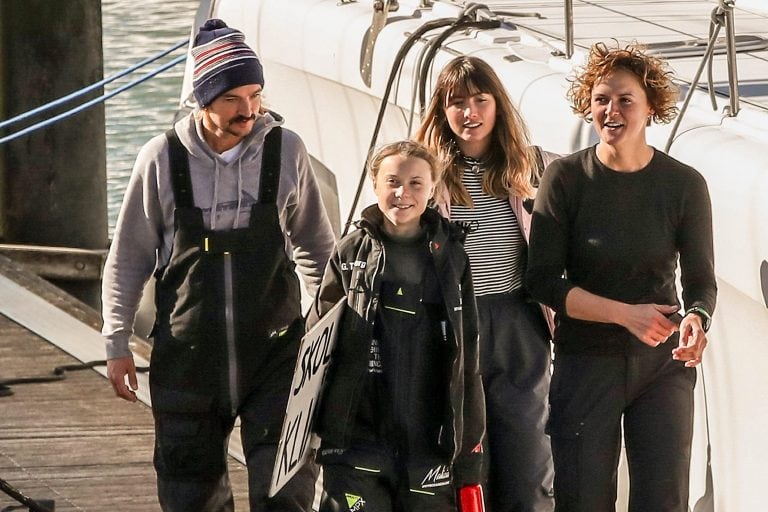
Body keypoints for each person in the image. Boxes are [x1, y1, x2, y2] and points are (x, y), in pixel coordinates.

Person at [101, 19, 335, 512]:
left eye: (255, 94)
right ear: (202, 99)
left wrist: (327, 331)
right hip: (188, 362)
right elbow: (128, 258)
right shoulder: (160, 159)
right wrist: (117, 341)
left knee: (287, 494)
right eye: (232, 98)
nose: (248, 110)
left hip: (277, 358)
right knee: (191, 499)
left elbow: (317, 248)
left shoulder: (286, 150)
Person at [525, 42, 717, 511]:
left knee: (662, 501)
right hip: (585, 362)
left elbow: (701, 283)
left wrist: (697, 319)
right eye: (601, 99)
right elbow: (543, 281)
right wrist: (625, 315)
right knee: (583, 501)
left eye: (625, 99)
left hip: (663, 366)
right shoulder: (565, 179)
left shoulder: (684, 184)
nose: (611, 110)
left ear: (650, 107)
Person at [307, 140, 486, 511]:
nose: (403, 193)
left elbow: (468, 355)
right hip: (358, 440)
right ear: (375, 184)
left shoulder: (453, 258)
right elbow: (317, 345)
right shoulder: (350, 251)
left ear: (433, 188)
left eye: (416, 183)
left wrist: (469, 448)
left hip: (429, 442)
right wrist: (314, 433)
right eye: (392, 181)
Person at [414, 55, 555, 512]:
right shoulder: (427, 177)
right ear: (441, 109)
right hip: (456, 327)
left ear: (498, 105)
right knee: (465, 465)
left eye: (480, 100)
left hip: (518, 322)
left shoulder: (530, 168)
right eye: (457, 102)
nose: (469, 113)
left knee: (528, 458)